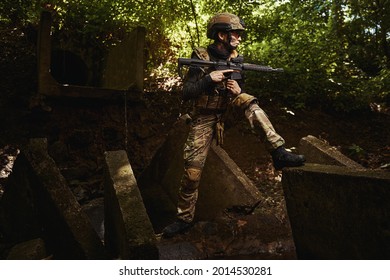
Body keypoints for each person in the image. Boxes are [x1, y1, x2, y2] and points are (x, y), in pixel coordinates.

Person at [162, 12, 305, 238]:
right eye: (235, 33)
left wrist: (238, 91)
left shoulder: (236, 59)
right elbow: (186, 93)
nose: (239, 38)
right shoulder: (200, 56)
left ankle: (278, 152)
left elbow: (239, 93)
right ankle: (184, 219)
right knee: (191, 174)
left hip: (226, 114)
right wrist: (210, 79)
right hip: (204, 118)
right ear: (221, 35)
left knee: (247, 101)